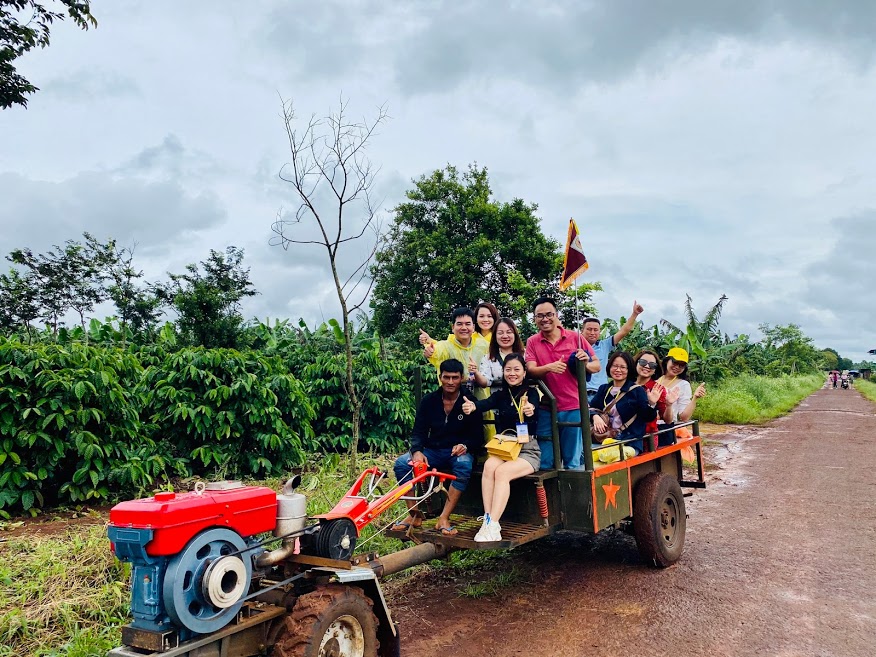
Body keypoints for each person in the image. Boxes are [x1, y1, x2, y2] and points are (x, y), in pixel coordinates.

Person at [391, 359, 482, 536]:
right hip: (433, 450)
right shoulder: (429, 401)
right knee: (402, 463)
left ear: (461, 378)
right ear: (440, 377)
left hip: (457, 452)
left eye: (454, 378)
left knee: (464, 465)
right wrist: (417, 451)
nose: (450, 382)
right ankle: (413, 514)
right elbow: (418, 432)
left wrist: (465, 445)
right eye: (446, 377)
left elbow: (477, 437)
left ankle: (444, 518)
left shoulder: (470, 401)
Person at [461, 354, 539, 542]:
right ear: (503, 372)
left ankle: (494, 524)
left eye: (516, 369)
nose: (512, 373)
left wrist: (529, 409)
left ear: (524, 372)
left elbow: (532, 408)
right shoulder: (501, 395)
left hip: (528, 449)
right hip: (505, 447)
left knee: (502, 472)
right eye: (508, 370)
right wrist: (472, 406)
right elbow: (483, 404)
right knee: (489, 466)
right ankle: (488, 520)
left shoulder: (532, 392)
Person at [525, 297, 600, 469]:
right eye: (539, 316)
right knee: (545, 459)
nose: (545, 319)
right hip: (546, 407)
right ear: (535, 319)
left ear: (556, 315)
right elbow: (530, 369)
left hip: (573, 406)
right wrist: (549, 367)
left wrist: (585, 362)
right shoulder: (532, 341)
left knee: (571, 459)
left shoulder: (576, 338)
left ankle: (575, 495)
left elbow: (596, 365)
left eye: (549, 314)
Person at [589, 351, 659, 456]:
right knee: (587, 456)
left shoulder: (637, 391)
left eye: (622, 367)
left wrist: (652, 404)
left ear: (629, 369)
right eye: (615, 366)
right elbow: (592, 408)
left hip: (629, 442)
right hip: (605, 439)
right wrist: (595, 417)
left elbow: (647, 417)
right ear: (609, 367)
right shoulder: (604, 389)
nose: (618, 370)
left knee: (608, 457)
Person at [582, 301, 645, 403]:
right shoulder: (575, 346)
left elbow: (623, 332)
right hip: (580, 394)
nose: (592, 333)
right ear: (582, 330)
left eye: (595, 330)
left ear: (599, 331)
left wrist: (635, 314)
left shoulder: (604, 345)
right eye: (589, 329)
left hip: (600, 393)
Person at [420, 307, 490, 395]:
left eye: (468, 324)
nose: (464, 328)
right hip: (452, 400)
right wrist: (430, 352)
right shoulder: (446, 346)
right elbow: (436, 350)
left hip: (481, 401)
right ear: (453, 327)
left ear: (473, 327)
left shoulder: (484, 345)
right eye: (459, 324)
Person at [633, 349, 673, 449]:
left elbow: (668, 420)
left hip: (646, 438)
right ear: (636, 363)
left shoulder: (658, 389)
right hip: (623, 434)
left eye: (652, 365)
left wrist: (669, 405)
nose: (647, 366)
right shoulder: (625, 384)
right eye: (643, 362)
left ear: (655, 369)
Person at [474, 317, 525, 395]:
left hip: (524, 401)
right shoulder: (488, 358)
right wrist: (476, 372)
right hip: (499, 403)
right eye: (500, 333)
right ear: (495, 336)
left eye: (509, 332)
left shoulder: (525, 354)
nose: (505, 336)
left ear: (515, 334)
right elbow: (485, 382)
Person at [657, 347, 706, 424]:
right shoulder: (654, 379)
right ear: (667, 361)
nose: (677, 367)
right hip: (646, 428)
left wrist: (695, 398)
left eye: (681, 365)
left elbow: (684, 417)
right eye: (675, 362)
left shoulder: (683, 385)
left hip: (666, 428)